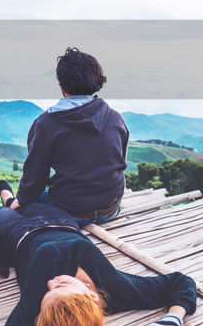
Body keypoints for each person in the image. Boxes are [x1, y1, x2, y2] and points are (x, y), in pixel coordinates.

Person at [0, 178, 195, 326]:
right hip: (61, 222)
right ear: (91, 295)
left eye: (47, 293)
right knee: (27, 203)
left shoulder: (40, 295)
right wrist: (173, 319)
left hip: (18, 234)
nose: (51, 283)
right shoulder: (118, 290)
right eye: (61, 287)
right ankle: (9, 198)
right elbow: (181, 282)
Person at [18, 47, 129, 226]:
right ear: (97, 82)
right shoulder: (115, 118)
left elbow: (34, 180)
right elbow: (119, 163)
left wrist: (21, 201)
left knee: (26, 205)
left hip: (70, 211)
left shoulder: (47, 123)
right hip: (110, 208)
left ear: (62, 86)